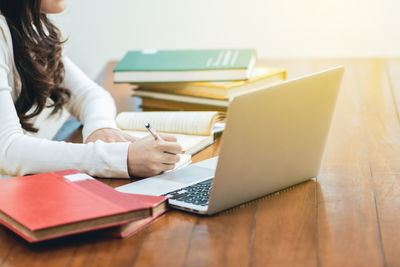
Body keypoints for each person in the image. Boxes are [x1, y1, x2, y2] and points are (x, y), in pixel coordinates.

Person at [0, 0, 182, 178]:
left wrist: (100, 129)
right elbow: (6, 149)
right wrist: (121, 159)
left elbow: (88, 94)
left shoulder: (27, 27)